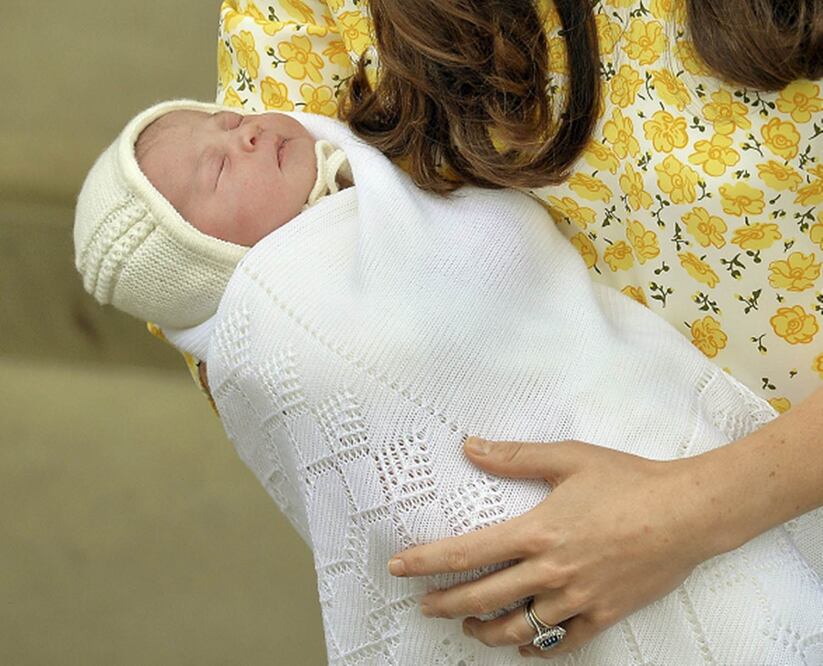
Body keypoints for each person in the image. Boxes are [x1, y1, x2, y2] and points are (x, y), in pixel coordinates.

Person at [74, 99, 823, 663]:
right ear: (202, 255)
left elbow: (497, 269)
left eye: (226, 118)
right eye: (215, 167)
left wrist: (688, 509)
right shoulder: (283, 319)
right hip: (572, 559)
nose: (241, 132)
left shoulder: (354, 198)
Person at [73, 99, 352, 331]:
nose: (249, 132)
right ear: (218, 261)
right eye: (219, 167)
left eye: (231, 121)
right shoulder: (313, 318)